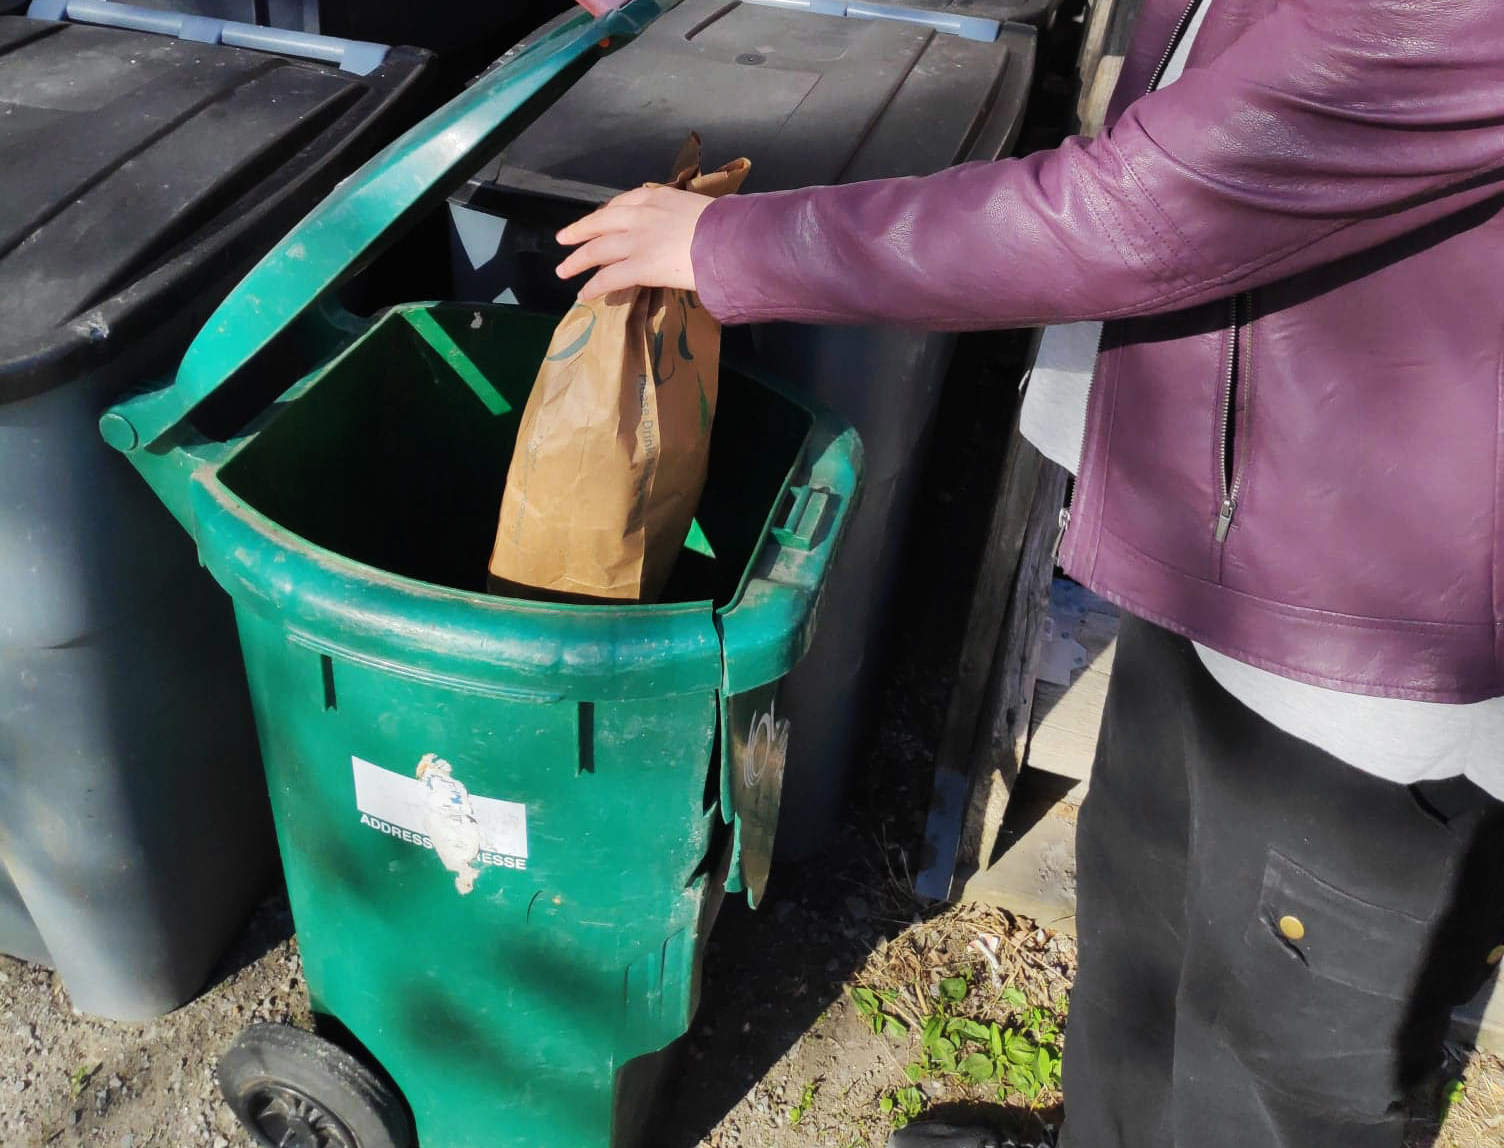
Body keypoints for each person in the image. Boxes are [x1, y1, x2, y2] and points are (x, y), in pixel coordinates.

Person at [556, 0, 1504, 1145]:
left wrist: (728, 249)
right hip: (1224, 525)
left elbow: (1140, 211)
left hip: (1368, 624)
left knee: (1270, 1062)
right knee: (1142, 922)